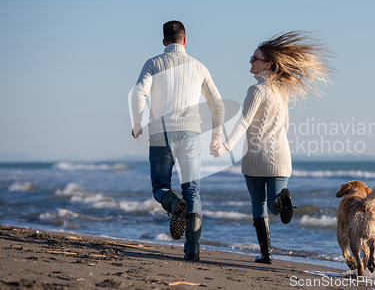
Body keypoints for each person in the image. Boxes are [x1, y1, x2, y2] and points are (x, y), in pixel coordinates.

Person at [212, 31, 333, 264]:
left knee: (258, 204)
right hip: (281, 156)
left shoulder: (255, 90)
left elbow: (244, 122)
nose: (250, 61)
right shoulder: (282, 90)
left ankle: (266, 254)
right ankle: (282, 199)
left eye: (254, 58)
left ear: (267, 64)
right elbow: (285, 126)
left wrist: (226, 146)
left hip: (256, 158)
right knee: (273, 206)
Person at [130, 21, 224, 261]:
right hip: (190, 134)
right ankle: (192, 250)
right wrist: (216, 136)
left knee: (160, 186)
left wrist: (137, 123)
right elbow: (218, 104)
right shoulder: (199, 67)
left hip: (160, 133)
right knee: (192, 190)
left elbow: (139, 92)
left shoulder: (153, 63)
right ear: (184, 40)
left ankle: (173, 204)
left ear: (164, 42)